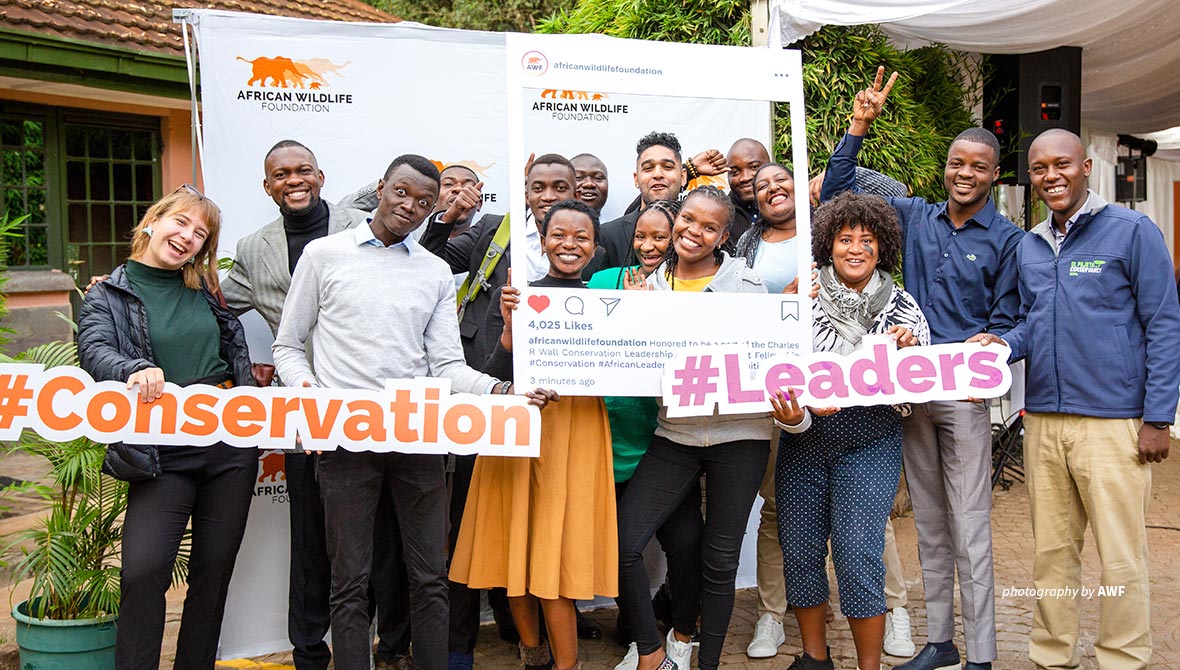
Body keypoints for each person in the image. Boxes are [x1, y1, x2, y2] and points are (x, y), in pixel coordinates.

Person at [271, 154, 551, 670]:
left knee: (429, 578)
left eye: (424, 201)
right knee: (349, 582)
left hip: (419, 437)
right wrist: (311, 394)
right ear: (381, 187)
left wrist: (501, 389)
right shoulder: (324, 255)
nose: (411, 206)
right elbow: (287, 346)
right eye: (402, 193)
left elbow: (446, 366)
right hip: (344, 439)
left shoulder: (435, 270)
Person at [821, 67, 1024, 670]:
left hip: (963, 393)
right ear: (946, 168)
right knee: (931, 523)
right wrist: (858, 127)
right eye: (957, 163)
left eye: (978, 167)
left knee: (971, 524)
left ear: (994, 175)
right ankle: (941, 642)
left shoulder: (1007, 240)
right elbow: (838, 191)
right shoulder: (914, 216)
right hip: (909, 389)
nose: (965, 173)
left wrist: (997, 345)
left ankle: (981, 654)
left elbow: (1013, 319)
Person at [974, 128, 1180, 670]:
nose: (1052, 176)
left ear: (1086, 167)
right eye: (1040, 168)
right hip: (1043, 420)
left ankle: (1122, 658)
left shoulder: (1132, 231)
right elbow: (1030, 322)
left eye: (1061, 164)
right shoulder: (1030, 245)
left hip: (1113, 424)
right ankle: (1052, 656)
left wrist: (1159, 417)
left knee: (1120, 555)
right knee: (1052, 554)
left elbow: (1163, 324)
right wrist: (1001, 345)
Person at [219, 139, 412, 670]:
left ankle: (391, 645)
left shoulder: (362, 223)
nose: (294, 180)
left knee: (383, 535)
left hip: (373, 406)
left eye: (303, 170)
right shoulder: (254, 248)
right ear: (268, 187)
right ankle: (308, 651)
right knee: (308, 536)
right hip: (304, 415)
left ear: (321, 176)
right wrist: (124, 287)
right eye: (281, 174)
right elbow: (213, 303)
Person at [77, 186, 258, 670]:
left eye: (200, 234)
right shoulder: (106, 294)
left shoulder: (205, 290)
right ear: (152, 221)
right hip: (161, 451)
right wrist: (132, 368)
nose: (187, 237)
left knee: (213, 575)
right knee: (143, 571)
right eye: (181, 222)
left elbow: (230, 350)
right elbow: (94, 351)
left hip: (230, 445)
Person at [451, 199, 617, 670]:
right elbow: (491, 372)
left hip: (577, 432)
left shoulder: (609, 305)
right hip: (519, 427)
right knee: (516, 546)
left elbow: (626, 368)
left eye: (581, 237)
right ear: (542, 242)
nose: (569, 244)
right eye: (558, 235)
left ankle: (568, 664)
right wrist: (509, 331)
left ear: (595, 248)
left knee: (555, 550)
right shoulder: (517, 298)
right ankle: (533, 655)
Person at [772, 191, 929, 670]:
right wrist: (798, 413)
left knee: (857, 551)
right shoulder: (800, 298)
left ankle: (868, 666)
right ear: (828, 244)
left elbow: (918, 387)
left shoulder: (903, 308)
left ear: (882, 248)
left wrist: (908, 351)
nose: (856, 248)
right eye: (845, 239)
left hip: (870, 439)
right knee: (799, 550)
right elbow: (774, 367)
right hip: (802, 439)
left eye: (867, 239)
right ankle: (814, 659)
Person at [616, 185, 769, 670]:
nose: (694, 232)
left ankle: (699, 657)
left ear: (724, 236)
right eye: (688, 219)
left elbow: (766, 355)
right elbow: (633, 365)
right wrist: (633, 318)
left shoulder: (747, 285)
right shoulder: (646, 287)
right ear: (675, 218)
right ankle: (651, 651)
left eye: (709, 227)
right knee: (622, 545)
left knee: (720, 560)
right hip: (675, 432)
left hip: (741, 434)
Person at [725, 138, 771, 245]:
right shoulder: (721, 215)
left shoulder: (792, 209)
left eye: (754, 167)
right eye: (735, 172)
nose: (745, 178)